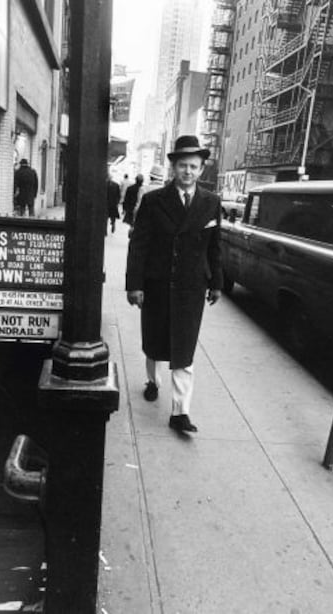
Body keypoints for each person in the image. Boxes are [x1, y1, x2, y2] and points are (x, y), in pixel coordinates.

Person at [125, 135, 223, 433]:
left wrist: (216, 282)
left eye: (194, 167)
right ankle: (153, 381)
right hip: (157, 285)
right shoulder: (154, 201)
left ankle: (180, 412)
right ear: (173, 167)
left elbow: (214, 247)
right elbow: (138, 245)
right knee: (155, 342)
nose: (188, 172)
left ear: (202, 169)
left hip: (190, 288)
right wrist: (134, 285)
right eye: (183, 166)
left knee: (184, 349)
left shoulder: (211, 202)